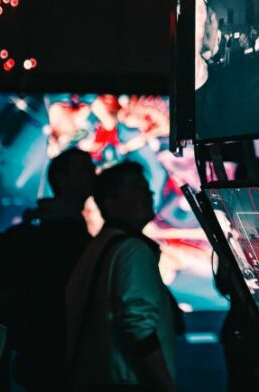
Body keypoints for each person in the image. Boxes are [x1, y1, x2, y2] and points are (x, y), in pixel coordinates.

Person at [0, 149, 95, 391]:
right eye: (84, 169)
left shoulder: (38, 233)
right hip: (49, 354)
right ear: (62, 178)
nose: (93, 175)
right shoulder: (59, 238)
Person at [66, 162, 181, 391]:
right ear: (110, 202)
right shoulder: (132, 249)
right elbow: (138, 326)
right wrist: (165, 385)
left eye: (145, 186)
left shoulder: (98, 247)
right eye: (135, 186)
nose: (148, 193)